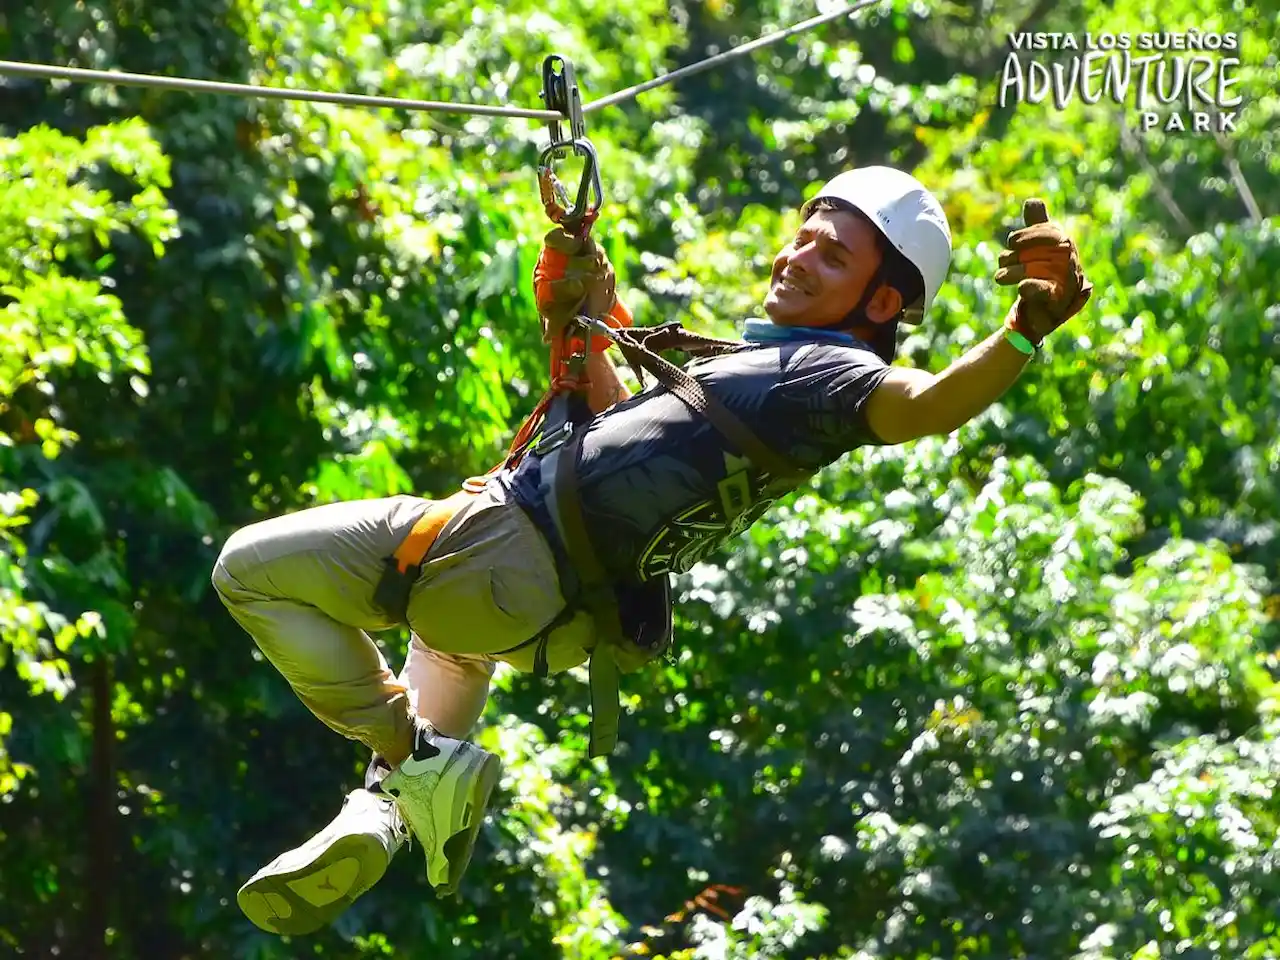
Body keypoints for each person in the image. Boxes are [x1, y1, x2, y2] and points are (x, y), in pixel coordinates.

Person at [212, 165, 1091, 935]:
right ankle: (386, 809)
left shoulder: (833, 379)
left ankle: (411, 756)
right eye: (802, 238)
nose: (796, 257)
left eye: (832, 257)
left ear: (883, 303)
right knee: (443, 647)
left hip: (499, 552)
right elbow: (612, 439)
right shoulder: (757, 380)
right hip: (548, 614)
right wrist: (587, 317)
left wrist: (1022, 332)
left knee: (248, 571)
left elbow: (925, 405)